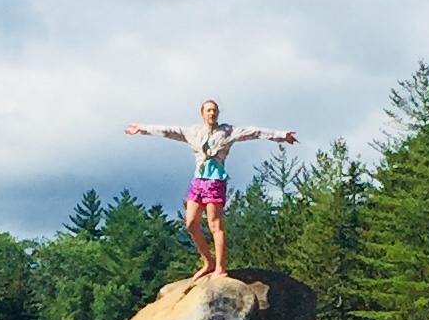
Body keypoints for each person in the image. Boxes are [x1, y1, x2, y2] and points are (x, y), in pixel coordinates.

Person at [124, 100, 298, 279]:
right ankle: (208, 262)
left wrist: (282, 135)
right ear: (202, 113)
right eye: (208, 111)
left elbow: (255, 132)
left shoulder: (227, 132)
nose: (211, 114)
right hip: (198, 181)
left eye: (214, 110)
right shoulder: (193, 132)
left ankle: (220, 268)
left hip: (215, 181)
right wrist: (142, 128)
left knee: (215, 225)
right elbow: (168, 131)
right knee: (191, 223)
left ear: (218, 113)